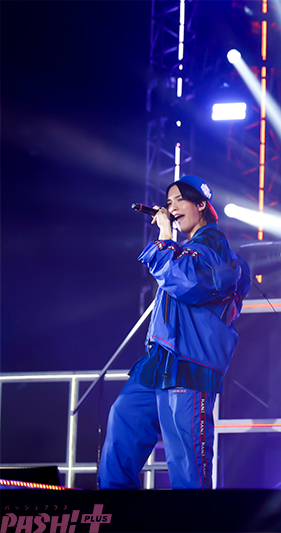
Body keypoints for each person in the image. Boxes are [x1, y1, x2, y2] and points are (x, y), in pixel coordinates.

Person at [98, 175, 250, 489]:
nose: (173, 207)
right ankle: (112, 506)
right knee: (124, 416)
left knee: (185, 456)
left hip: (190, 361)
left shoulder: (214, 244)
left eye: (180, 199)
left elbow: (189, 283)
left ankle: (193, 516)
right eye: (169, 202)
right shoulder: (187, 248)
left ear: (201, 204)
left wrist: (166, 237)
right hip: (162, 358)